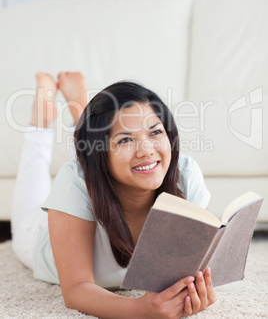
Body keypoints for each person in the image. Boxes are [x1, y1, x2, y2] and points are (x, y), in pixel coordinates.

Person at [11, 71, 216, 318]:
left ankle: (82, 111)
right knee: (38, 167)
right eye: (126, 139)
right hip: (39, 235)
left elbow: (200, 265)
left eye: (155, 132)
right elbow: (76, 290)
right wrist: (140, 310)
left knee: (101, 145)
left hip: (98, 167)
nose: (147, 150)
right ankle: (41, 121)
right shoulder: (75, 180)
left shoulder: (185, 173)